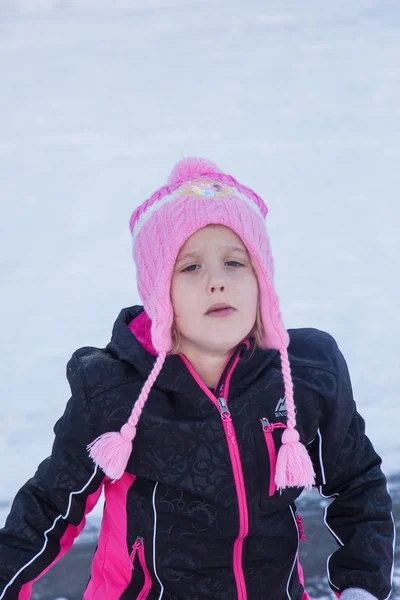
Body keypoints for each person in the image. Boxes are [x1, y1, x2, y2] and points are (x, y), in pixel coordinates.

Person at [0, 157, 394, 600]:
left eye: (235, 263)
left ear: (261, 280)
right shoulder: (116, 390)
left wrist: (361, 587)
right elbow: (49, 509)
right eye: (190, 267)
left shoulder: (304, 373)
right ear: (158, 293)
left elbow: (358, 486)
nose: (217, 282)